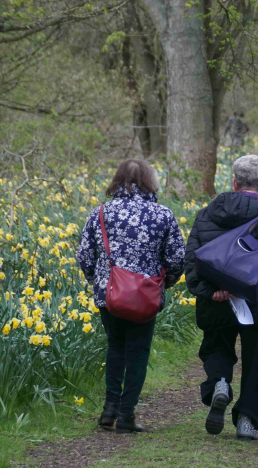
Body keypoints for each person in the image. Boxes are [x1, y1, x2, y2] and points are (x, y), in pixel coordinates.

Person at [183, 155, 258, 441]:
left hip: (216, 301)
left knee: (217, 347)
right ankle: (247, 422)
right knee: (256, 360)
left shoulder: (207, 213)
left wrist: (213, 292)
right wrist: (249, 293)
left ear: (233, 183)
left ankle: (220, 384)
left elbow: (191, 261)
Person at [77, 159, 186, 433]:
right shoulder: (162, 215)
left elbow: (85, 256)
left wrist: (99, 281)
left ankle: (108, 409)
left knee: (116, 347)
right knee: (138, 353)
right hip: (145, 296)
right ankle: (126, 415)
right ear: (150, 181)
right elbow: (176, 259)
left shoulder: (100, 213)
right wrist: (165, 283)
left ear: (117, 180)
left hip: (109, 295)